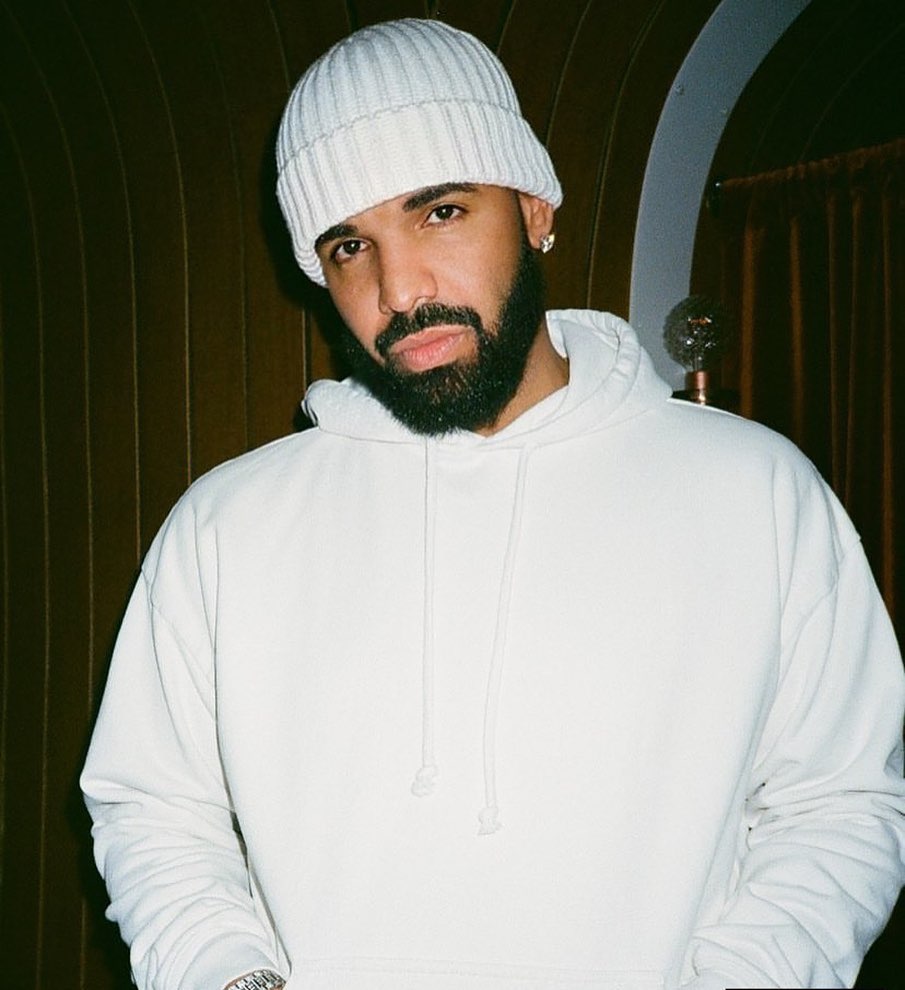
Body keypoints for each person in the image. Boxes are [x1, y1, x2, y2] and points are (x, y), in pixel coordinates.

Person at [81, 18, 905, 990]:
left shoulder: (756, 494)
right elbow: (153, 808)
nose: (399, 290)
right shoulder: (226, 527)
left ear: (533, 207)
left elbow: (838, 805)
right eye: (349, 245)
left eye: (438, 212)